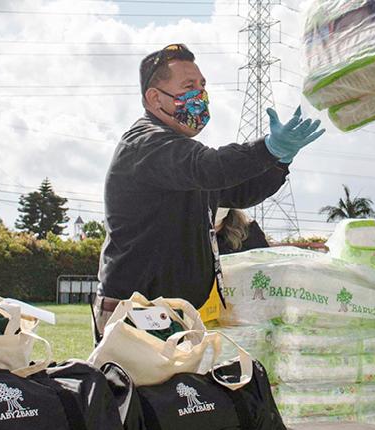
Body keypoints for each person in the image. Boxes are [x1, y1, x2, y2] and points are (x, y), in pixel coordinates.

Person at [97, 44, 326, 336]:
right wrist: (266, 148)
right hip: (139, 310)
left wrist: (279, 161)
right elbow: (210, 167)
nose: (200, 95)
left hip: (174, 310)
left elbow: (239, 192)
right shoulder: (147, 144)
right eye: (189, 86)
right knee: (134, 383)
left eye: (202, 86)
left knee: (178, 384)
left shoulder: (179, 156)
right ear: (155, 98)